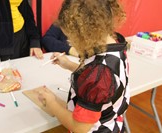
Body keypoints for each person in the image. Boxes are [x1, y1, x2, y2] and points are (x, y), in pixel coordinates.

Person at [38, 0, 130, 133]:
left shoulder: (100, 73)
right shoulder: (116, 48)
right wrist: (69, 65)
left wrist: (52, 103)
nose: (69, 42)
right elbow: (102, 83)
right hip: (112, 123)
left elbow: (79, 127)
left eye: (71, 38)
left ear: (86, 34)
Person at [0, 0, 43, 72]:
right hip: (1, 41)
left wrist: (34, 40)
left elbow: (27, 12)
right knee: (5, 77)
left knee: (23, 72)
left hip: (22, 35)